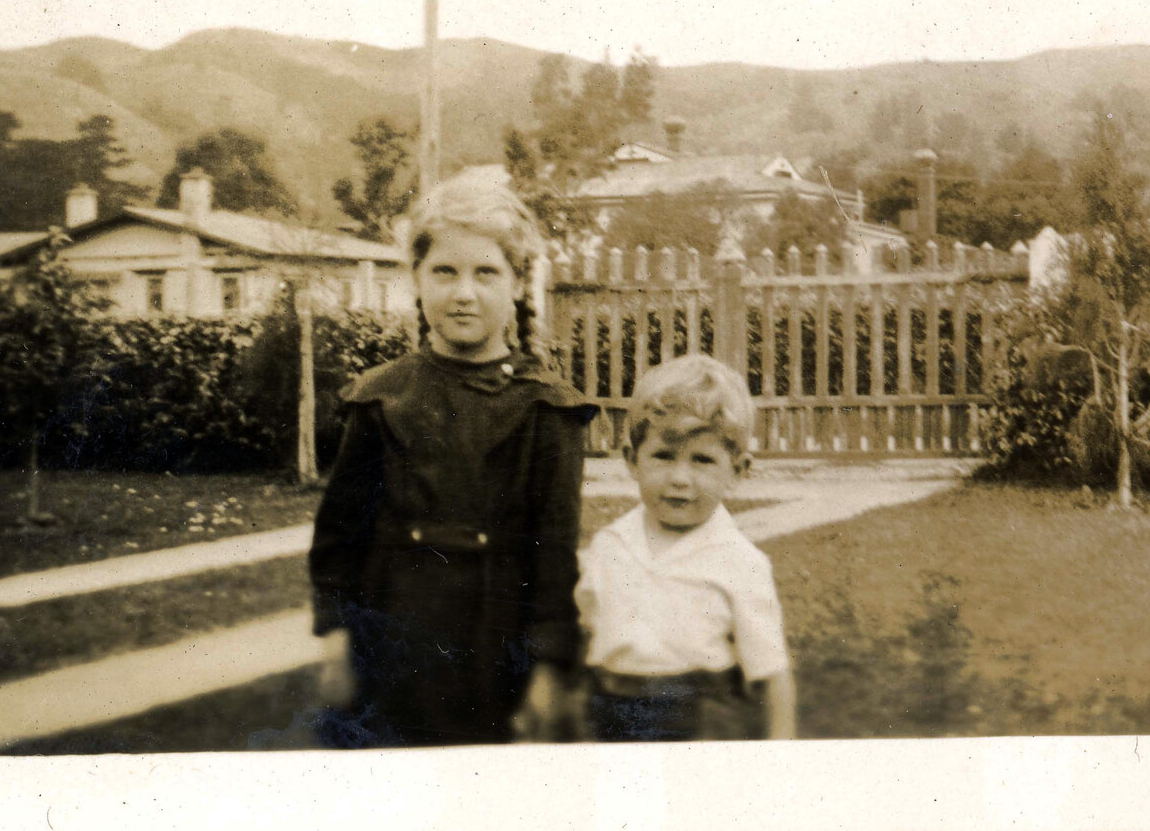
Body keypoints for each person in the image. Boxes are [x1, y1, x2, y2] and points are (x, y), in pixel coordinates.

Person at [308, 176, 596, 747]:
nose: (464, 292)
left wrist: (546, 670)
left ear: (518, 284)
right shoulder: (380, 398)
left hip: (498, 648)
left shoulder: (546, 409)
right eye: (445, 271)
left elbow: (555, 556)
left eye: (486, 273)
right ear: (415, 279)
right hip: (391, 642)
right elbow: (341, 535)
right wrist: (338, 641)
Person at [574, 354, 798, 740]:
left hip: (700, 720)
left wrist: (781, 748)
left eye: (702, 460)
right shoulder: (609, 546)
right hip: (611, 714)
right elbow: (584, 636)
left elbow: (770, 669)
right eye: (663, 456)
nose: (680, 478)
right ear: (632, 460)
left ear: (738, 471)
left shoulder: (739, 561)